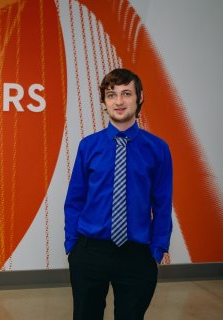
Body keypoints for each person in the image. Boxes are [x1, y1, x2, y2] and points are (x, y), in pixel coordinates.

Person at [64, 68, 173, 320]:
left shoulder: (158, 149)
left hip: (136, 254)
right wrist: (73, 245)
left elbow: (163, 204)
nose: (119, 101)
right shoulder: (88, 146)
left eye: (126, 93)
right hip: (90, 252)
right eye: (111, 95)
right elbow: (75, 200)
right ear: (104, 102)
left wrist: (156, 251)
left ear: (139, 98)